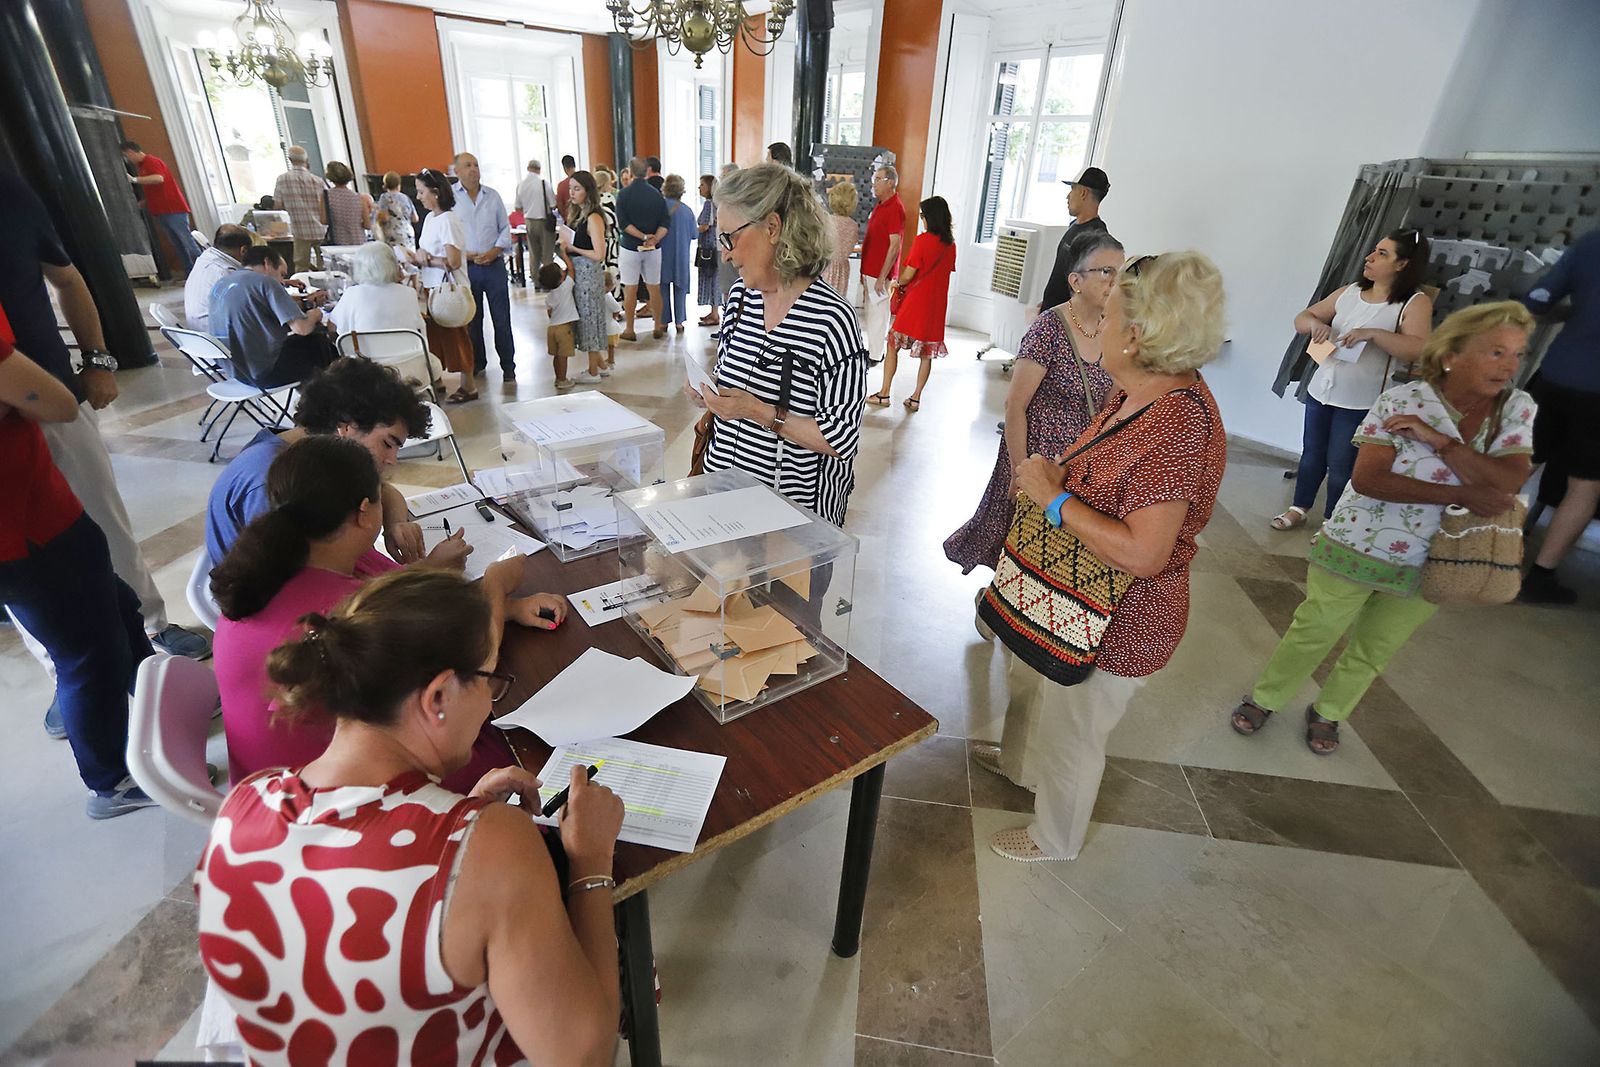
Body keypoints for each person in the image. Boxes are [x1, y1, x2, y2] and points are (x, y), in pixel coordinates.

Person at [195, 566, 623, 1065]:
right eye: (488, 679)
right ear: (438, 697)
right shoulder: (494, 847)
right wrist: (591, 861)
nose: (489, 702)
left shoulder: (242, 807)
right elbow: (582, 1055)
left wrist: (459, 818)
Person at [981, 252, 1229, 862]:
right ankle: (1023, 771)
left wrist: (1054, 496)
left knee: (1076, 733)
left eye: (1110, 313)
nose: (1098, 320)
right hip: (1077, 602)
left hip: (1119, 620)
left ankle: (1055, 836)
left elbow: (1146, 553)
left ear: (1138, 335)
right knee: (1048, 699)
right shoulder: (1140, 393)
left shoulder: (1175, 426)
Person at [1232, 302, 1536, 755]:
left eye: (1517, 353)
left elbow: (1509, 479)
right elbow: (1370, 479)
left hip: (1438, 556)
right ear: (1452, 353)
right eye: (1496, 351)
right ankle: (1267, 697)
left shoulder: (1514, 408)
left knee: (1377, 647)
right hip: (1358, 542)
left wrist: (1440, 443)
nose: (1509, 365)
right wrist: (1467, 491)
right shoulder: (1403, 400)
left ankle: (1330, 712)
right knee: (1314, 630)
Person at [209, 435, 566, 791]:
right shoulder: (346, 611)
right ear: (364, 512)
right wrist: (495, 587)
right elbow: (471, 673)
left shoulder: (281, 561)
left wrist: (510, 608)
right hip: (335, 795)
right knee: (532, 753)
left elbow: (423, 615)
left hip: (285, 778)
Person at [0, 171, 210, 710]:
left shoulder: (12, 191)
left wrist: (95, 358)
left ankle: (152, 633)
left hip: (53, 399)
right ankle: (68, 677)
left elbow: (66, 279)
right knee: (18, 562)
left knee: (100, 521)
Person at [0, 324, 155, 819]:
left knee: (121, 609)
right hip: (24, 532)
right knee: (87, 656)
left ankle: (159, 711)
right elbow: (60, 404)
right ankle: (111, 781)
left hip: (43, 516)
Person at [689, 163, 868, 526]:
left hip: (790, 526)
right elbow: (735, 379)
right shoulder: (740, 297)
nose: (724, 253)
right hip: (720, 502)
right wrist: (715, 395)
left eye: (730, 238)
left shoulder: (833, 320)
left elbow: (841, 439)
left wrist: (758, 411)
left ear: (772, 227)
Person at [945, 233, 1121, 577]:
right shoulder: (1048, 328)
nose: (1115, 282)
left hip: (1077, 466)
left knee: (1057, 552)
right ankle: (1001, 609)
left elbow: (1110, 407)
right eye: (1105, 272)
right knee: (1018, 544)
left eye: (1120, 272)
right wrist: (1018, 470)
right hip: (1035, 460)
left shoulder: (1114, 330)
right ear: (1076, 281)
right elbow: (1015, 406)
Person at [204, 356, 442, 570]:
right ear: (347, 426)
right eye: (387, 444)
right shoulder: (270, 480)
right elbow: (291, 583)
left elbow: (384, 490)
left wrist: (396, 523)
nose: (392, 460)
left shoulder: (322, 457)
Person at [1275, 229, 1433, 530]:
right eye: (1374, 250)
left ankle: (1333, 521)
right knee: (1311, 454)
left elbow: (1419, 347)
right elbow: (1303, 317)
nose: (1370, 257)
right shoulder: (1349, 292)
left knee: (1342, 464)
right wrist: (1314, 325)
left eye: (1383, 254)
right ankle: (1299, 506)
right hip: (1323, 389)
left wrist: (1374, 334)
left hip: (1361, 398)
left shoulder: (1413, 302)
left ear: (1403, 264)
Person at [1519, 228, 1600, 604]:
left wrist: (1577, 313)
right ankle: (1540, 577)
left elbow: (1536, 301)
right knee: (1584, 484)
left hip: (1556, 374)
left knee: (1521, 462)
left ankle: (1472, 548)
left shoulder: (1592, 242)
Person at [871, 196, 957, 411]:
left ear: (930, 217)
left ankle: (884, 393)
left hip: (916, 302)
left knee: (893, 343)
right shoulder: (950, 245)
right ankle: (916, 397)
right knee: (927, 354)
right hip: (936, 306)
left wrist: (897, 282)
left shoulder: (923, 241)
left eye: (922, 216)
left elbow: (909, 274)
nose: (922, 220)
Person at [209, 245, 336, 389]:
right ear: (267, 263)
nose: (282, 281)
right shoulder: (265, 282)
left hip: (235, 371)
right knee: (320, 344)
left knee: (302, 346)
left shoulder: (223, 282)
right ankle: (334, 399)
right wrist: (315, 314)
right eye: (282, 274)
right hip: (263, 373)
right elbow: (302, 328)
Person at [408, 168, 476, 403]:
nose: (418, 197)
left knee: (456, 336)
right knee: (436, 336)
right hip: (433, 286)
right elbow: (427, 249)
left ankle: (469, 386)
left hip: (448, 289)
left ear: (435, 193)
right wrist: (420, 254)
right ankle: (436, 379)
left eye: (421, 192)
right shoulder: (429, 218)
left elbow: (454, 261)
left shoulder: (448, 220)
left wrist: (425, 259)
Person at [324, 241, 433, 382]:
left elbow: (332, 329)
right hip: (411, 369)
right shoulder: (409, 293)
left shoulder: (352, 294)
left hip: (367, 372)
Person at [451, 153, 516, 380]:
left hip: (494, 265)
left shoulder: (492, 196)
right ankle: (477, 362)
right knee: (472, 319)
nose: (473, 169)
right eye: (468, 166)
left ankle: (508, 366)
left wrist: (495, 251)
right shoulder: (450, 198)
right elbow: (447, 233)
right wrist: (463, 254)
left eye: (476, 165)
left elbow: (505, 228)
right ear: (457, 171)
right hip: (467, 267)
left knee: (502, 317)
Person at [558, 170, 610, 385]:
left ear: (588, 191)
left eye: (577, 189)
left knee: (590, 318)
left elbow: (599, 254)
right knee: (585, 316)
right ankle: (601, 365)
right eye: (570, 188)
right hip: (578, 271)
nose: (572, 193)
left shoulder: (594, 217)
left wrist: (573, 248)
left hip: (589, 273)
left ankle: (592, 370)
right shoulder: (577, 214)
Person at [1036, 167, 1111, 314]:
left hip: (1065, 322)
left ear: (1083, 193)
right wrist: (1047, 302)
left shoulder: (1096, 236)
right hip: (1052, 314)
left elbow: (1089, 289)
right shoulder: (1074, 226)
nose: (1068, 196)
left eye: (1072, 189)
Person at [120, 140, 201, 275]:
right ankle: (190, 273)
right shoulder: (142, 166)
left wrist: (134, 179)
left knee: (186, 241)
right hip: (163, 211)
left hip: (172, 209)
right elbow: (156, 188)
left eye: (126, 156)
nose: (127, 159)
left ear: (130, 152)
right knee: (179, 244)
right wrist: (145, 201)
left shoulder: (151, 161)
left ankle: (205, 270)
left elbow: (159, 178)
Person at [616, 155, 670, 341]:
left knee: (630, 288)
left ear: (630, 173)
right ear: (647, 171)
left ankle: (630, 329)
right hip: (654, 248)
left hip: (630, 247)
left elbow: (623, 224)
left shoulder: (623, 195)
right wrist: (653, 239)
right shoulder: (657, 194)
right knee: (654, 287)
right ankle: (657, 325)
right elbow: (665, 223)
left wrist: (642, 237)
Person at [860, 165, 905, 365]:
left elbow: (894, 246)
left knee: (878, 314)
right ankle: (873, 349)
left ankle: (876, 355)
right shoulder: (880, 205)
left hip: (880, 273)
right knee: (871, 313)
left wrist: (881, 276)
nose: (874, 184)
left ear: (890, 182)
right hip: (870, 270)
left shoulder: (895, 208)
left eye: (878, 179)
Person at [184, 225, 253, 332]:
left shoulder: (206, 257)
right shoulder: (226, 272)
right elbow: (247, 310)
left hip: (201, 334)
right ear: (243, 250)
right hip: (220, 337)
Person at [272, 145, 329, 273]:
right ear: (306, 160)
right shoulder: (318, 180)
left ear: (290, 159)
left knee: (301, 266)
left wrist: (278, 229)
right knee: (325, 265)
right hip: (321, 229)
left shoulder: (282, 179)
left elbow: (278, 207)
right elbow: (327, 204)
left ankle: (304, 290)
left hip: (299, 230)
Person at [659, 174, 697, 334]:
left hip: (662, 253)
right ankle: (679, 322)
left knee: (663, 288)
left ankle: (663, 321)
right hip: (681, 254)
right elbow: (695, 234)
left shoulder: (660, 207)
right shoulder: (687, 211)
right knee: (680, 288)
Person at [539, 261, 581, 390]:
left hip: (552, 328)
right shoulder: (566, 287)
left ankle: (558, 378)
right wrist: (564, 255)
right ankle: (563, 380)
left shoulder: (549, 297)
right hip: (564, 328)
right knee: (563, 356)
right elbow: (572, 270)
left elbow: (550, 313)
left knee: (557, 356)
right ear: (561, 277)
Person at [515, 158, 558, 280]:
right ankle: (548, 280)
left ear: (528, 168)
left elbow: (518, 207)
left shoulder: (520, 185)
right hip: (544, 221)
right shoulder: (544, 183)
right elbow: (553, 204)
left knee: (534, 254)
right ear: (539, 170)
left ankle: (536, 281)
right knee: (547, 254)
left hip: (528, 221)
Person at [822, 180, 859, 299]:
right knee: (837, 300)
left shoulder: (825, 221)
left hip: (824, 265)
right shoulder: (853, 226)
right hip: (842, 270)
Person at [594, 165, 623, 307]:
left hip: (597, 241)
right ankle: (614, 304)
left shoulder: (592, 201)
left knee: (601, 271)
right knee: (612, 272)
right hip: (611, 241)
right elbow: (617, 222)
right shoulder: (609, 198)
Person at [322, 161, 370, 246]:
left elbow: (324, 220)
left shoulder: (326, 196)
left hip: (338, 241)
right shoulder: (360, 198)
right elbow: (367, 225)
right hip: (358, 241)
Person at [696, 174, 723, 326]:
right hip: (715, 245)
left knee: (711, 278)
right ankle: (714, 311)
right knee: (715, 279)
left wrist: (694, 231)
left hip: (708, 247)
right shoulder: (716, 203)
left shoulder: (708, 204)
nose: (699, 188)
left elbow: (705, 225)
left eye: (702, 185)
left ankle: (714, 314)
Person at [373, 170, 419, 252]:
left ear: (385, 185)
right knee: (410, 259)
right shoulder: (406, 197)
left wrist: (376, 216)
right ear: (399, 185)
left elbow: (385, 218)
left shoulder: (384, 197)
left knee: (395, 261)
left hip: (393, 234)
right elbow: (415, 218)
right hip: (408, 233)